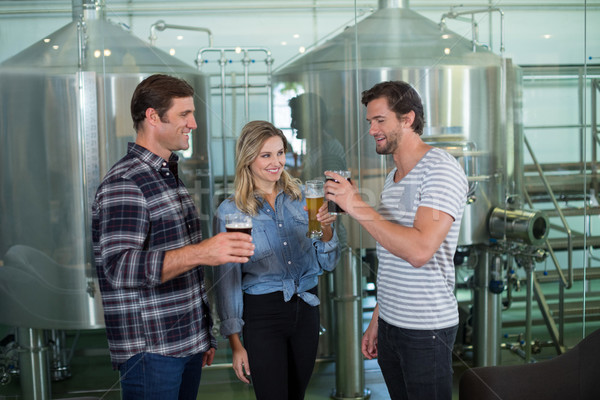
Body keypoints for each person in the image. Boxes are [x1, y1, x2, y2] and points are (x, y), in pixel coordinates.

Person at [91, 74, 255, 399]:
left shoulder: (166, 175)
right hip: (152, 350)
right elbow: (120, 267)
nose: (193, 124)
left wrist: (201, 335)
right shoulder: (126, 182)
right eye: (184, 114)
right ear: (153, 116)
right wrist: (203, 252)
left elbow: (184, 272)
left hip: (184, 342)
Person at [324, 81, 468, 400]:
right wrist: (379, 317)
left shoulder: (440, 168)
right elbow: (393, 255)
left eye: (380, 120)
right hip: (392, 324)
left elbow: (419, 250)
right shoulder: (393, 177)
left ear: (407, 119)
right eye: (370, 121)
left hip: (425, 329)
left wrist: (356, 205)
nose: (372, 129)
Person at [213, 120, 340, 400]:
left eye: (280, 153)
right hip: (261, 316)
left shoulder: (304, 198)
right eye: (266, 155)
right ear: (248, 158)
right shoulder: (230, 211)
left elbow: (328, 264)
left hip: (306, 310)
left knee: (296, 395)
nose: (276, 162)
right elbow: (227, 281)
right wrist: (235, 344)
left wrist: (328, 230)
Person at [288, 92, 347, 182]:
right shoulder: (317, 147)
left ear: (312, 120)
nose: (292, 124)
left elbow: (328, 192)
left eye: (296, 119)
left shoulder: (329, 153)